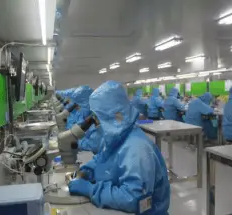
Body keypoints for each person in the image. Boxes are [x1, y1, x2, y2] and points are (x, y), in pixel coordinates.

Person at [69, 81, 170, 215]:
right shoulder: (113, 138)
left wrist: (90, 190)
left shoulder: (137, 149)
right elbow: (101, 158)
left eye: (98, 118)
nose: (96, 123)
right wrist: (87, 171)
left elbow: (133, 199)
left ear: (111, 116)